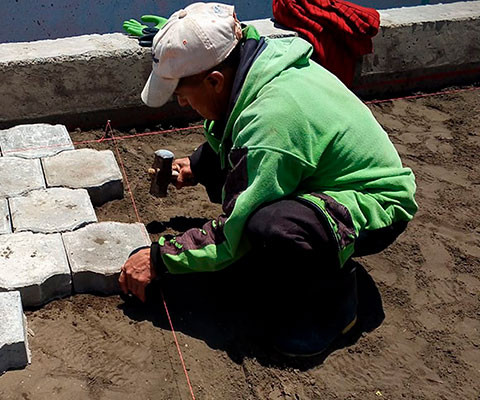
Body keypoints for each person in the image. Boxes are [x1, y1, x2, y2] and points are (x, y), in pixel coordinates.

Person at [118, 2, 417, 357]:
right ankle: (305, 258)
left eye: (184, 96)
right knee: (258, 215)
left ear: (214, 80)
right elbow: (236, 128)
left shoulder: (272, 118)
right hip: (326, 177)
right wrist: (197, 165)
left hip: (378, 205)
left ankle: (336, 307)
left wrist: (158, 257)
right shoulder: (258, 63)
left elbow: (232, 230)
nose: (184, 106)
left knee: (268, 226)